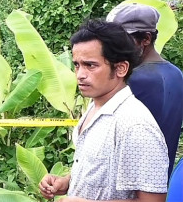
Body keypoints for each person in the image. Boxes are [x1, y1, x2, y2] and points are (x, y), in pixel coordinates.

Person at [39, 19, 169, 201]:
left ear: (121, 68)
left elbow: (153, 201)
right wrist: (67, 182)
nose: (80, 74)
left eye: (90, 65)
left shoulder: (135, 125)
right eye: (77, 64)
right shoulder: (96, 105)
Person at [107, 3, 183, 177]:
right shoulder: (176, 74)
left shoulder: (135, 79)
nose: (115, 47)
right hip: (159, 183)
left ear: (146, 39)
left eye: (122, 40)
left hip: (130, 184)